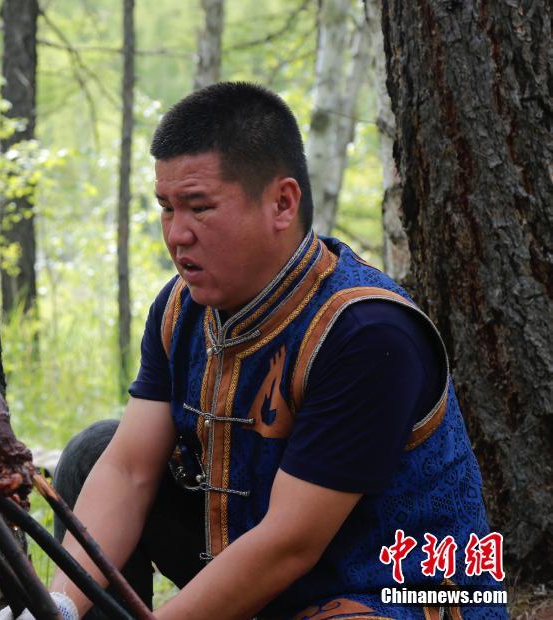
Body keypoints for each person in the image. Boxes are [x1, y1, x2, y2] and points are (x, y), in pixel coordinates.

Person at [38, 82, 506, 620]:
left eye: (199, 207)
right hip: (254, 557)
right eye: (166, 208)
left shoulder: (368, 333)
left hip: (391, 592)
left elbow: (290, 543)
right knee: (94, 452)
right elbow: (127, 470)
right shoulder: (179, 308)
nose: (176, 234)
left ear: (282, 203)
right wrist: (56, 607)